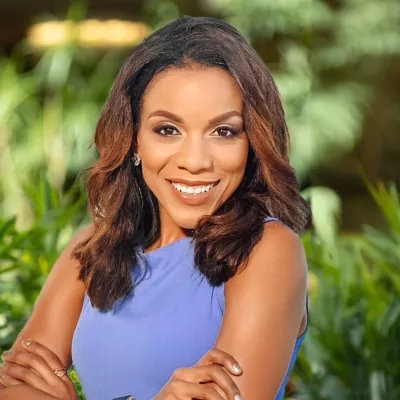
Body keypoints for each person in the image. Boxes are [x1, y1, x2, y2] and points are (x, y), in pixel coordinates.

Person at [0, 15, 310, 400]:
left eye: (224, 131)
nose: (195, 161)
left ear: (251, 144)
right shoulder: (90, 253)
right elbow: (16, 388)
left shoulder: (267, 251)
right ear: (133, 140)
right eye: (168, 129)